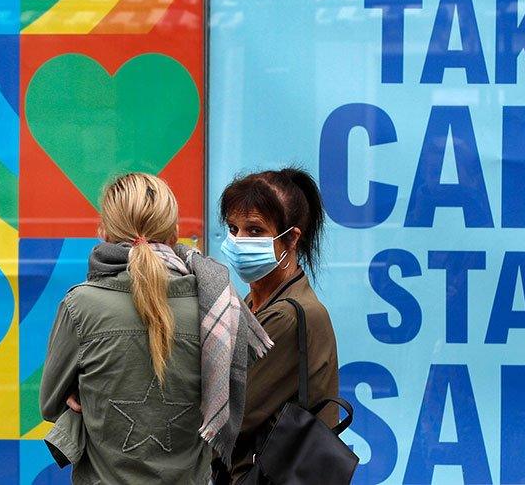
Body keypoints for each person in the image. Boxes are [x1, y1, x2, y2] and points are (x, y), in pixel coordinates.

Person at [40, 173, 271, 484]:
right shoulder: (219, 306)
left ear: (105, 232)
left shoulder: (80, 306)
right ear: (174, 235)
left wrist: (83, 391)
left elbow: (50, 402)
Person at [214, 167, 339, 483]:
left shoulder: (289, 315)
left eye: (255, 230)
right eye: (233, 228)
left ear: (292, 237)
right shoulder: (257, 301)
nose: (239, 241)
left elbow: (225, 416)